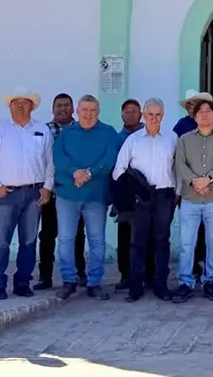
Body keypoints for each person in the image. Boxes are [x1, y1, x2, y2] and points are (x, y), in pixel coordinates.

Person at [0, 88, 54, 300]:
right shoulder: (0, 131)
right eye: (16, 103)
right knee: (1, 241)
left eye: (25, 103)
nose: (20, 107)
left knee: (29, 241)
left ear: (32, 107)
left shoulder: (42, 130)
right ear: (9, 106)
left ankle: (23, 282)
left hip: (34, 194)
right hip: (7, 195)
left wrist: (47, 187)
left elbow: (50, 161)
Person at [52, 94, 117, 300]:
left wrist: (89, 173)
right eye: (84, 110)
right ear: (77, 112)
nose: (88, 114)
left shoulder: (108, 132)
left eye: (92, 110)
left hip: (95, 195)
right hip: (67, 194)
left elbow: (110, 158)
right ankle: (69, 280)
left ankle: (94, 283)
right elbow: (58, 157)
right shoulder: (67, 133)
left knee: (97, 240)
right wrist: (75, 172)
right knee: (65, 238)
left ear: (98, 112)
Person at [112, 98, 178, 302]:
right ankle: (135, 287)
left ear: (163, 116)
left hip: (164, 196)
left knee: (161, 242)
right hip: (141, 199)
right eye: (150, 114)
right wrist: (133, 190)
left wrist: (178, 194)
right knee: (137, 243)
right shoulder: (133, 140)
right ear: (144, 115)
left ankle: (161, 286)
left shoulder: (172, 138)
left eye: (158, 115)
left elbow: (179, 167)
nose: (154, 118)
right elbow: (118, 170)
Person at [174, 95, 213, 303]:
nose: (205, 115)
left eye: (208, 111)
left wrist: (207, 180)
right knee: (186, 243)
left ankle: (211, 281)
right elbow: (180, 164)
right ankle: (185, 282)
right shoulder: (184, 139)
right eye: (201, 112)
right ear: (195, 116)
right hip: (190, 199)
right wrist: (195, 182)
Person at [36, 93, 76, 291]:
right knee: (48, 234)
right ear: (53, 109)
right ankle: (45, 276)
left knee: (77, 234)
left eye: (66, 105)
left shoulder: (80, 129)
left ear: (73, 108)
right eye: (59, 106)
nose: (63, 109)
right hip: (50, 192)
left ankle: (80, 274)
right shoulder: (43, 130)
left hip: (75, 192)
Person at [113, 98, 143, 290]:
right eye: (127, 111)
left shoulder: (149, 135)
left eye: (134, 111)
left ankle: (147, 274)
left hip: (147, 193)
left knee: (146, 236)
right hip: (124, 194)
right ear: (122, 115)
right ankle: (125, 275)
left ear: (141, 114)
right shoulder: (116, 139)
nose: (131, 114)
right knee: (124, 236)